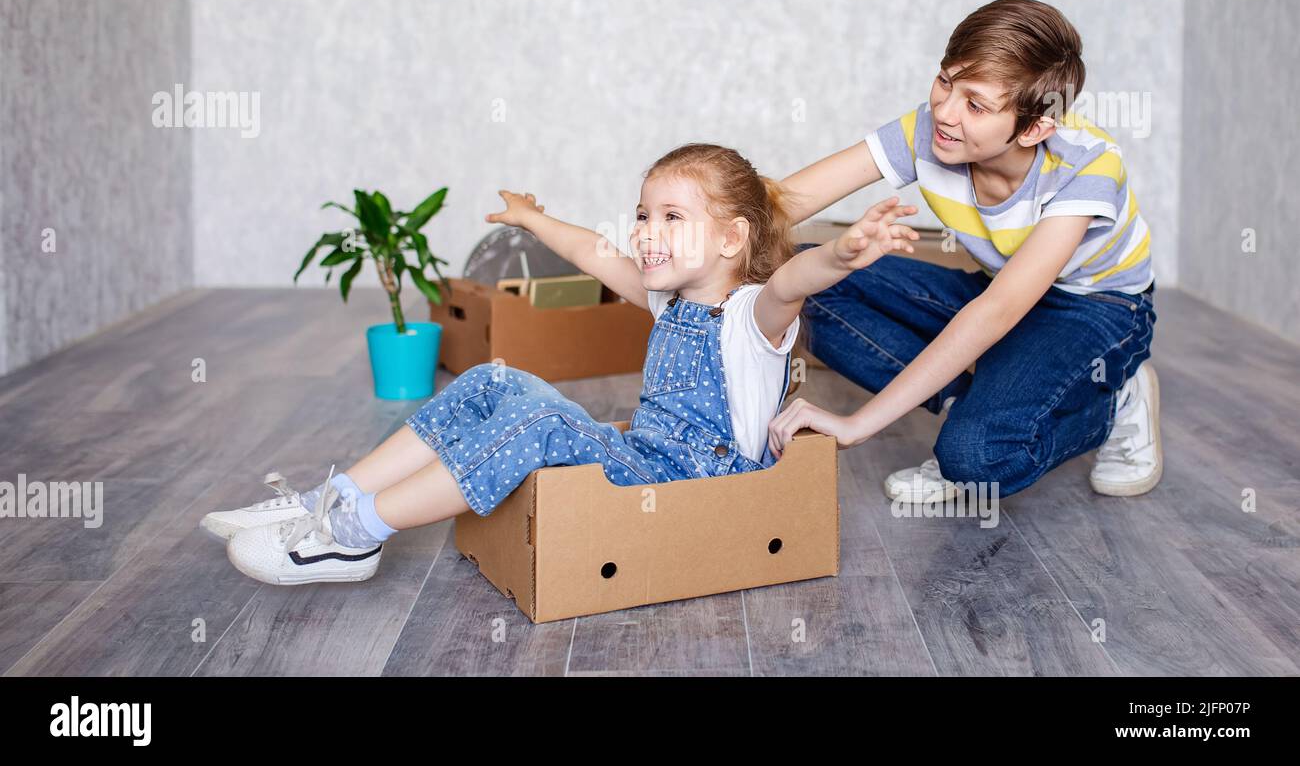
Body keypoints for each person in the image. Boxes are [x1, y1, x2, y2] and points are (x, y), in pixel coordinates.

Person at [202, 143, 918, 584]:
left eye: (673, 216)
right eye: (643, 214)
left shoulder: (751, 316)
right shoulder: (669, 302)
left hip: (703, 482)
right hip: (643, 463)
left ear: (733, 239)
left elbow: (796, 282)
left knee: (540, 420)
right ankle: (324, 504)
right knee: (495, 380)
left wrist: (845, 253)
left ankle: (358, 535)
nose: (647, 232)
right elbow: (593, 253)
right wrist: (533, 220)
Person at [766, 0, 1159, 502]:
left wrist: (856, 425)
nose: (945, 113)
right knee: (801, 270)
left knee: (974, 459)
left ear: (1035, 126)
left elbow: (996, 313)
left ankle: (1113, 403)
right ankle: (973, 404)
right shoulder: (931, 130)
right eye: (945, 81)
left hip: (1099, 309)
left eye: (976, 105)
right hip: (1005, 288)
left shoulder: (1089, 167)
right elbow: (788, 201)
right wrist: (690, 233)